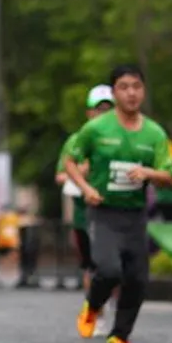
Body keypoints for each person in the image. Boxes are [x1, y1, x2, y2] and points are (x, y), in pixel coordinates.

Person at [62, 64, 172, 343]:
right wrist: (87, 189)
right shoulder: (96, 129)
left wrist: (148, 173)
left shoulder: (154, 133)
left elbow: (169, 175)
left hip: (135, 214)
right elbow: (70, 161)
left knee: (138, 278)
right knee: (109, 269)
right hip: (104, 212)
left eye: (136, 87)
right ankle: (93, 305)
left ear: (143, 91)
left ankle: (120, 335)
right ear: (115, 93)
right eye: (124, 87)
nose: (131, 93)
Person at [58, 86, 115, 319]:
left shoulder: (122, 136)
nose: (103, 114)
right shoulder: (77, 140)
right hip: (84, 213)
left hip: (115, 210)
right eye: (99, 109)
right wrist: (82, 171)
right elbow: (61, 175)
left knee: (113, 263)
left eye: (108, 109)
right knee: (92, 265)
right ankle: (94, 309)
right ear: (89, 113)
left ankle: (109, 305)